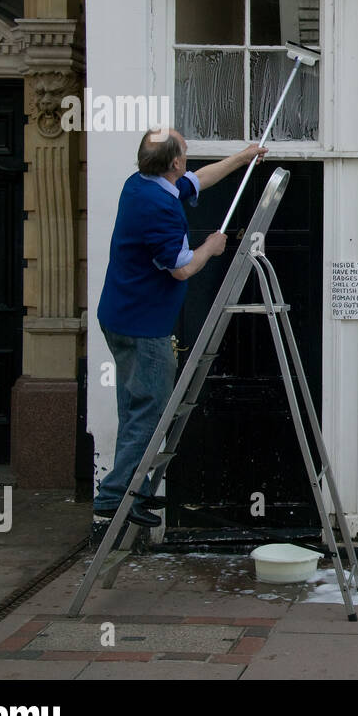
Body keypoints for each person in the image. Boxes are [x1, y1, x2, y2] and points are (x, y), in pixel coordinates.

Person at [94, 128, 266, 529]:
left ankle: (128, 494)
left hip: (122, 317)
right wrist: (211, 246)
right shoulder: (159, 207)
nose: (188, 156)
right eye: (185, 151)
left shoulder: (141, 184)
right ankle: (117, 497)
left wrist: (243, 158)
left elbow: (199, 179)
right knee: (150, 412)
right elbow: (182, 268)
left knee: (136, 409)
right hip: (143, 325)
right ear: (173, 162)